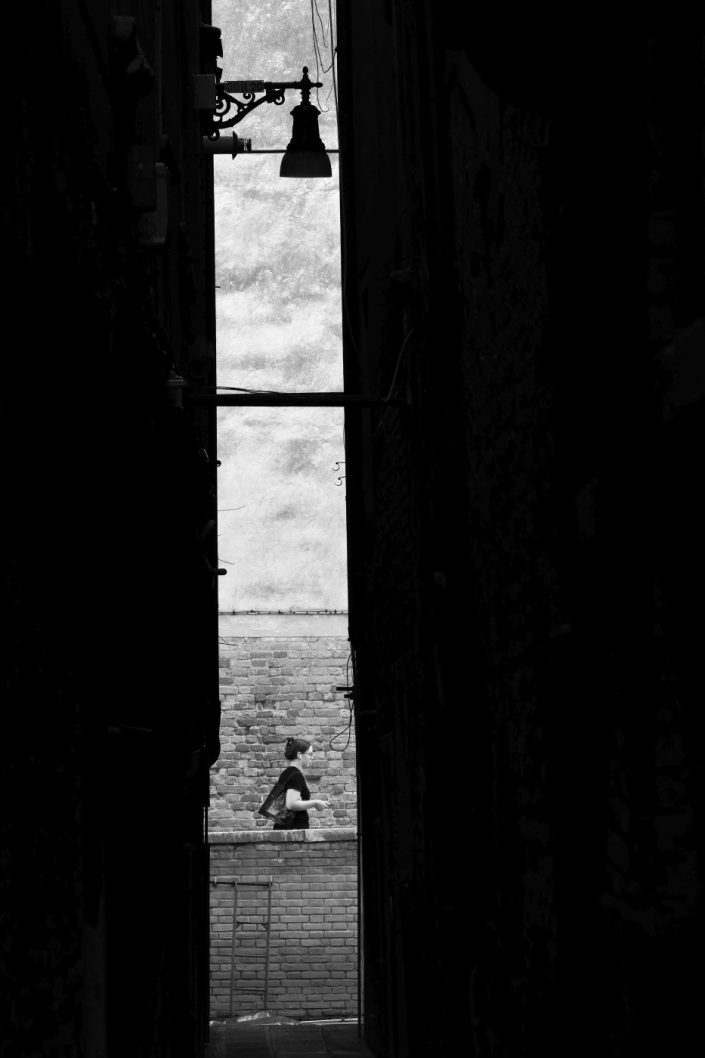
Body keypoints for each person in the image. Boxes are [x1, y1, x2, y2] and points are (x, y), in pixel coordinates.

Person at [273, 736, 329, 830]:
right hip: (293, 830)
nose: (312, 757)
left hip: (286, 828)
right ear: (299, 755)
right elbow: (291, 804)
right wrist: (315, 803)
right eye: (310, 754)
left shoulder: (287, 773)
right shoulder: (295, 775)